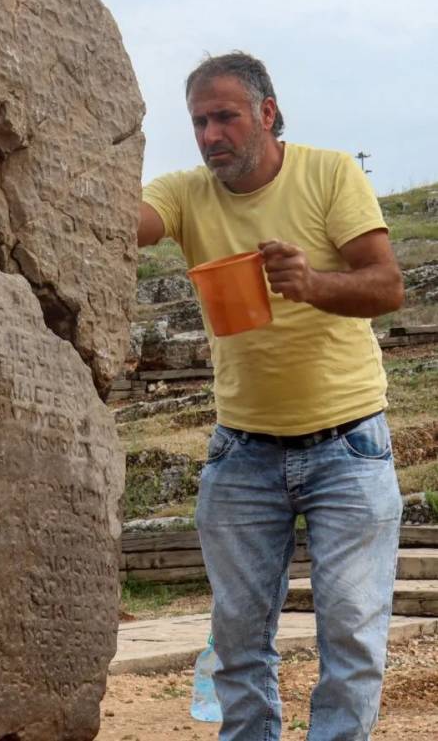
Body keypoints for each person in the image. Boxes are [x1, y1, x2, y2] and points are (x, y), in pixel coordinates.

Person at [138, 51, 404, 741]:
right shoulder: (187, 192)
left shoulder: (329, 172)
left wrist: (312, 283)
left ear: (266, 112)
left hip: (348, 442)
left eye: (224, 116)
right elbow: (128, 221)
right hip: (242, 449)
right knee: (237, 641)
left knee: (350, 639)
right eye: (198, 121)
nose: (209, 134)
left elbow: (387, 285)